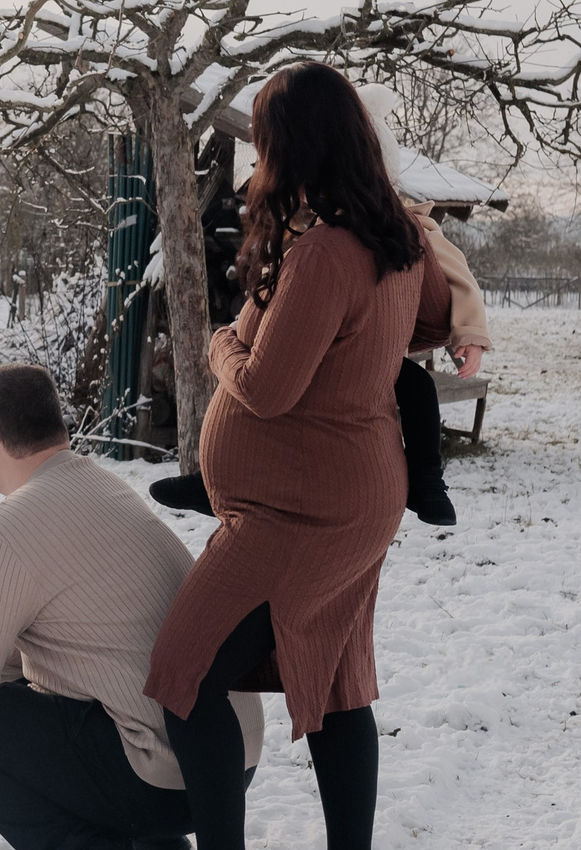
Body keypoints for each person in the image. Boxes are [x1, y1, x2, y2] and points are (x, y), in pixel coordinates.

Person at [140, 62, 453, 850]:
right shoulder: (399, 232)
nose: (256, 158)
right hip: (357, 491)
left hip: (297, 508)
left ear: (291, 144)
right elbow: (429, 324)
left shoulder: (324, 249)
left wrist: (221, 342)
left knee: (185, 671)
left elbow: (268, 388)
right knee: (342, 673)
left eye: (261, 142)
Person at [0, 363, 267, 850]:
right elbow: (41, 643)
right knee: (63, 696)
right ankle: (157, 846)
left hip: (159, 776)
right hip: (226, 769)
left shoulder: (3, 531)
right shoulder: (103, 486)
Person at [148, 92, 491, 528]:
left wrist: (470, 333)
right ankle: (221, 478)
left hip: (357, 349)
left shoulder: (403, 228)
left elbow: (455, 275)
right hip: (318, 341)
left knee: (415, 385)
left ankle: (428, 480)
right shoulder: (311, 224)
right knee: (279, 394)